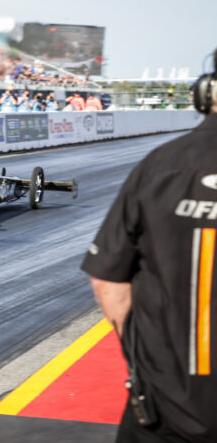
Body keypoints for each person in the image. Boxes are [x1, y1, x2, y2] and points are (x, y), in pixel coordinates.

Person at [81, 65, 217, 442]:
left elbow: (107, 279)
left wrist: (140, 355)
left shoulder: (160, 164)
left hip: (162, 404)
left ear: (207, 93)